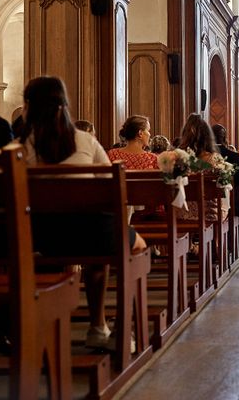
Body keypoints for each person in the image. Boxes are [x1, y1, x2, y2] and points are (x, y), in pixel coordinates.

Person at [18, 76, 146, 350]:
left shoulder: (19, 149)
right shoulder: (85, 141)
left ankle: (96, 327)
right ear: (64, 106)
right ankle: (111, 327)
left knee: (97, 238)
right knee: (132, 246)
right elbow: (110, 188)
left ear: (28, 106)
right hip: (92, 234)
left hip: (42, 238)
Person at [178, 113, 229, 221]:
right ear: (207, 137)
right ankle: (215, 238)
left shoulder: (176, 158)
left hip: (182, 213)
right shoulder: (215, 159)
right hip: (210, 213)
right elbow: (224, 188)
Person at [212, 124, 239, 217]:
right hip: (232, 207)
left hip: (207, 207)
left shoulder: (202, 157)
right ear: (225, 138)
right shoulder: (236, 157)